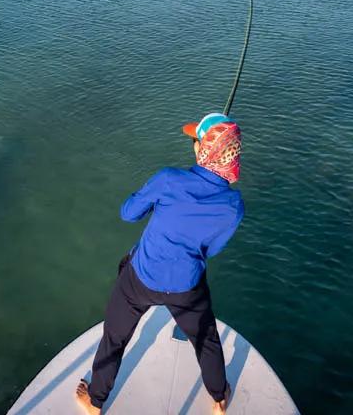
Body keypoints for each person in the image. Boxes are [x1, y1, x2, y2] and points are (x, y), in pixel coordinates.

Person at [75, 113, 244, 415]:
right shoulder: (234, 206)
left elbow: (128, 213)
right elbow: (212, 248)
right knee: (206, 339)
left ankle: (96, 401)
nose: (193, 144)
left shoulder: (168, 179)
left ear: (202, 149)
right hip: (188, 287)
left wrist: (149, 198)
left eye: (196, 140)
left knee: (115, 336)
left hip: (140, 279)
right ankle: (219, 398)